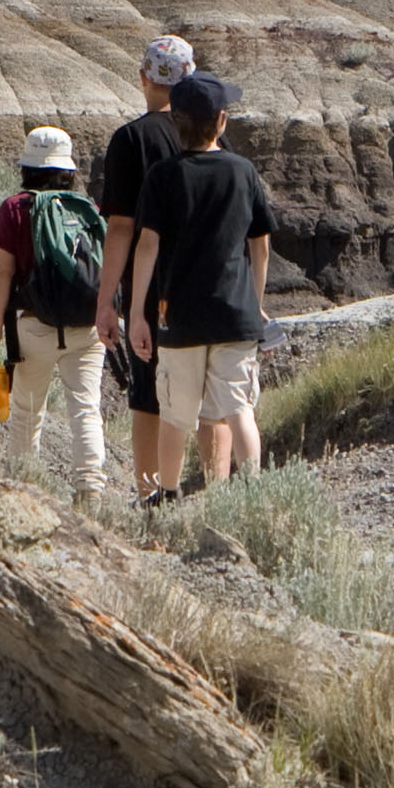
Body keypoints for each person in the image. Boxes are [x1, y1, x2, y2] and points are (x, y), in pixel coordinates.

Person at [115, 68, 274, 489]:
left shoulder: (163, 176)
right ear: (221, 121)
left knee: (175, 416)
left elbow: (146, 246)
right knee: (238, 408)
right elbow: (260, 245)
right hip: (235, 314)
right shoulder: (243, 172)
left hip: (179, 317)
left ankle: (165, 496)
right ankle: (252, 493)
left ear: (176, 121)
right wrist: (255, 302)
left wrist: (136, 314)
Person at [91, 32, 200, 502]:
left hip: (149, 286)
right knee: (208, 395)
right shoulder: (211, 136)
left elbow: (119, 228)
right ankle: (207, 489)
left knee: (148, 394)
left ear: (143, 78)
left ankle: (149, 493)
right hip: (206, 277)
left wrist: (106, 300)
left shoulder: (130, 139)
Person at [0, 124, 113, 488]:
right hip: (85, 328)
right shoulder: (88, 209)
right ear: (67, 170)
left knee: (27, 412)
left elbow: (5, 275)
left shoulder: (14, 209)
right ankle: (91, 491)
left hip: (33, 326)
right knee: (86, 409)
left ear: (27, 167)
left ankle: (25, 490)